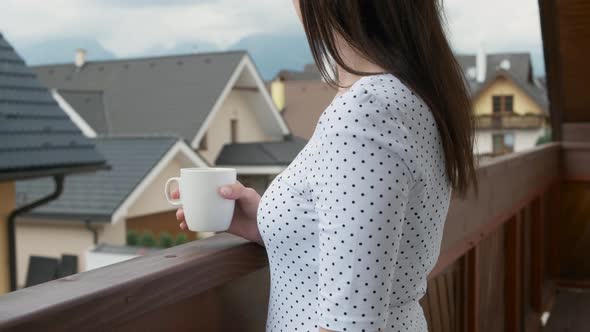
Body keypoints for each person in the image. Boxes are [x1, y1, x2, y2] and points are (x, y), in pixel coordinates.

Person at [173, 1, 478, 331]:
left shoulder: (364, 115)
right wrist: (269, 221)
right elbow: (364, 247)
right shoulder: (409, 96)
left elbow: (349, 325)